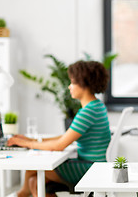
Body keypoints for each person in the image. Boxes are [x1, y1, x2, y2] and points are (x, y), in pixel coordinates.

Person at [8, 60, 111, 197]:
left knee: (35, 167)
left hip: (90, 167)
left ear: (84, 83)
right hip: (92, 164)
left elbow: (59, 145)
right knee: (34, 181)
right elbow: (66, 136)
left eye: (73, 82)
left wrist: (27, 144)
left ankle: (21, 194)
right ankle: (22, 194)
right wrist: (33, 140)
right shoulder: (97, 106)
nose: (69, 87)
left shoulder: (88, 112)